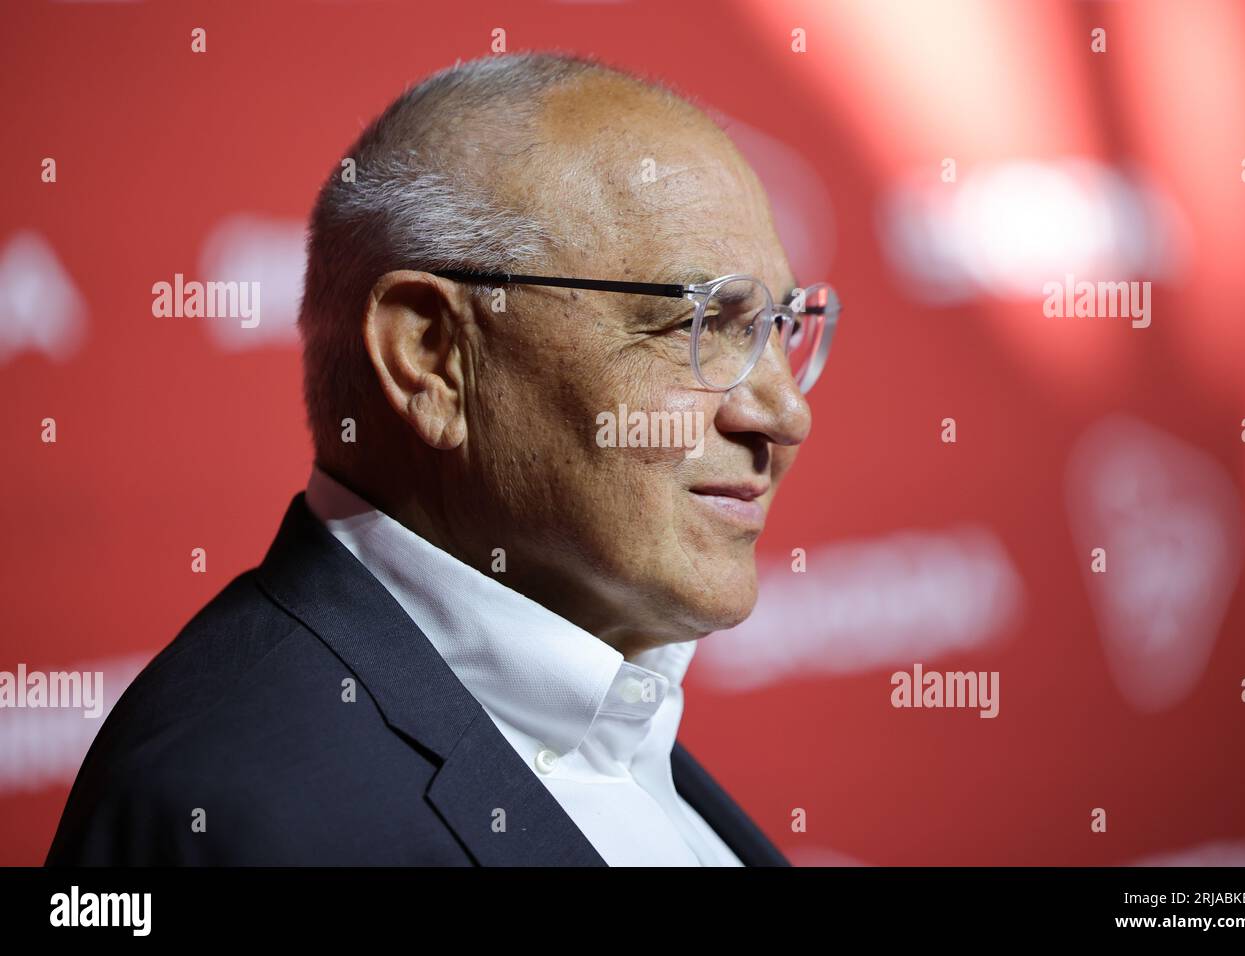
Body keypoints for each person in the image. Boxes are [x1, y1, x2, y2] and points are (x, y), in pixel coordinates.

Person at [46, 50, 838, 866]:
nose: (786, 413)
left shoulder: (608, 711)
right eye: (697, 325)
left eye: (778, 327)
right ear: (430, 355)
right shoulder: (239, 816)